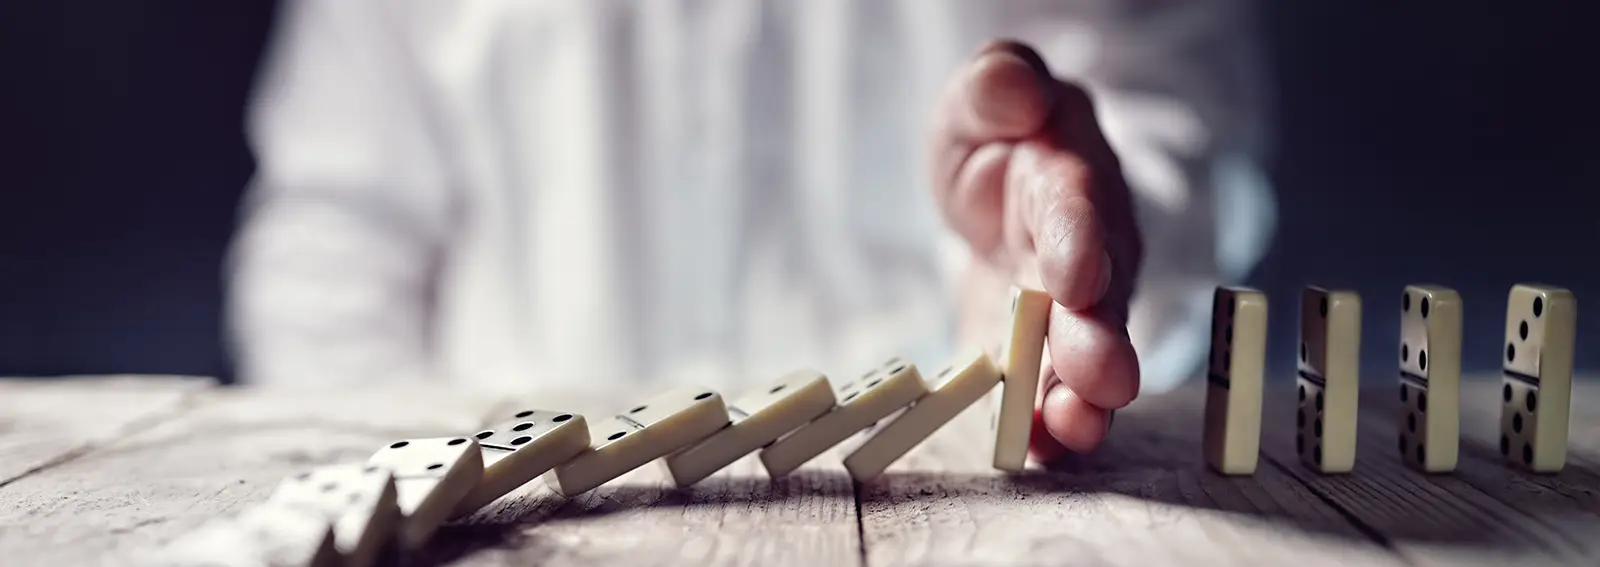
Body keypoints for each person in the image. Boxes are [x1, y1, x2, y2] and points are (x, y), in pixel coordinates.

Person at [225, 0, 1274, 462]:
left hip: (942, 482)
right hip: (505, 506)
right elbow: (333, 242)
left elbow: (1176, 125)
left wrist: (1094, 247)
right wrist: (415, 494)